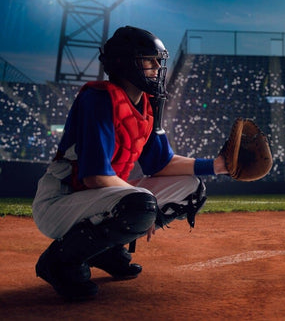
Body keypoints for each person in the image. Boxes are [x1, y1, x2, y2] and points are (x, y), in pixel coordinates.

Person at [32, 25, 227, 300]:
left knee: (192, 188)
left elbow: (161, 164)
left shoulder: (148, 105)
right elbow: (94, 177)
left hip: (99, 200)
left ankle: (105, 250)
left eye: (159, 60)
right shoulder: (98, 98)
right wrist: (141, 197)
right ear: (125, 62)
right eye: (150, 59)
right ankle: (59, 262)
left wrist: (217, 165)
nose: (158, 67)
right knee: (141, 203)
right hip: (62, 201)